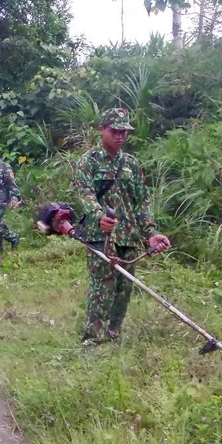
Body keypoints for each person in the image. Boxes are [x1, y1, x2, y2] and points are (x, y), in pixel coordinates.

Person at [71, 108, 170, 345]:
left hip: (129, 236)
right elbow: (85, 195)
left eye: (124, 132)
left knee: (124, 290)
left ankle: (112, 334)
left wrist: (151, 232)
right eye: (115, 131)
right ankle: (93, 340)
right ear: (102, 130)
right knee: (101, 290)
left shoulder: (132, 165)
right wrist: (98, 217)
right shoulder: (88, 162)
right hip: (101, 237)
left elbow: (141, 202)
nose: (120, 136)